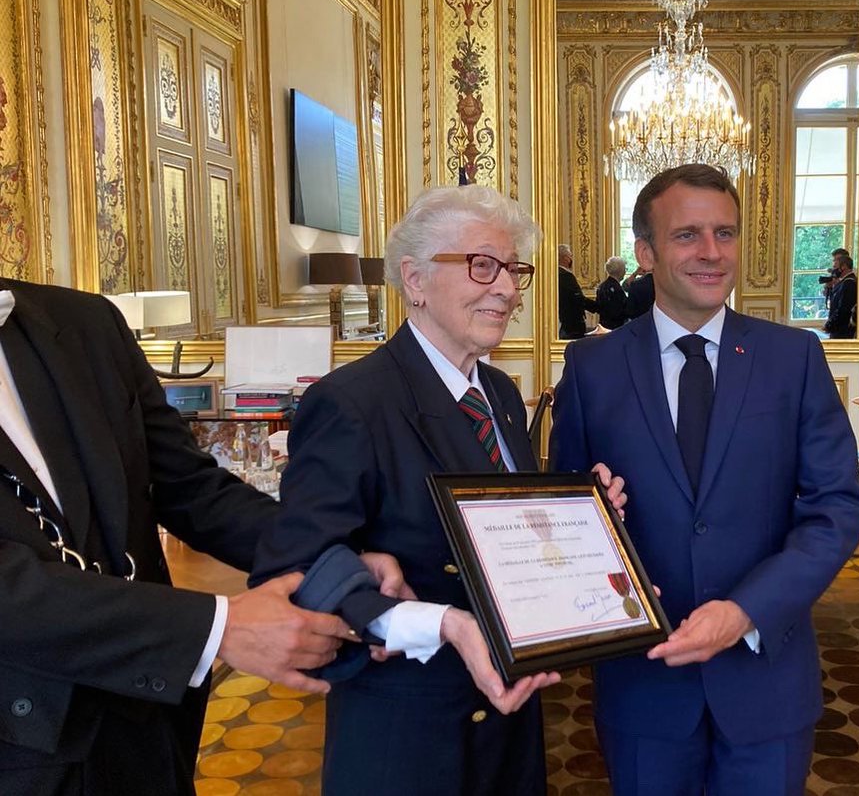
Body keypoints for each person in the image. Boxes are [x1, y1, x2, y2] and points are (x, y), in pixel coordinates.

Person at [251, 186, 625, 796]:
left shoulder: (500, 394)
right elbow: (300, 570)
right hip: (411, 734)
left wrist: (587, 520)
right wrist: (441, 623)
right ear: (414, 279)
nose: (507, 289)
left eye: (514, 270)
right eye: (483, 265)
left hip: (509, 720)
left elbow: (505, 537)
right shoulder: (352, 402)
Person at [0, 278, 396, 795]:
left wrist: (332, 559)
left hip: (146, 725)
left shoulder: (87, 322)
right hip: (22, 747)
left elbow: (189, 487)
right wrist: (217, 628)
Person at [550, 163, 859, 795]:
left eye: (725, 233)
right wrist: (594, 512)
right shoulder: (591, 367)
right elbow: (564, 518)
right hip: (645, 682)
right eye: (687, 235)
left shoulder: (794, 357)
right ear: (646, 253)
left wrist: (747, 611)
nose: (711, 252)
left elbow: (836, 507)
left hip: (766, 681)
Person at [557, 243, 597, 339]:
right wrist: (597, 307)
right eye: (570, 256)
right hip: (572, 322)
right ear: (566, 258)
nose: (571, 259)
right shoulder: (566, 276)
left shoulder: (556, 274)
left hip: (564, 319)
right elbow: (577, 298)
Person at [824, 252, 858, 339]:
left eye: (835, 267)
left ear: (844, 266)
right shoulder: (843, 282)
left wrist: (830, 325)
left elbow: (843, 309)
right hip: (839, 329)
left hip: (843, 331)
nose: (834, 270)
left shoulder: (849, 283)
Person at [595, 256, 630, 330]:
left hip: (604, 326)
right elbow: (618, 310)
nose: (625, 272)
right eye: (625, 269)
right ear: (619, 271)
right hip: (615, 327)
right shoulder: (616, 288)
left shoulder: (602, 286)